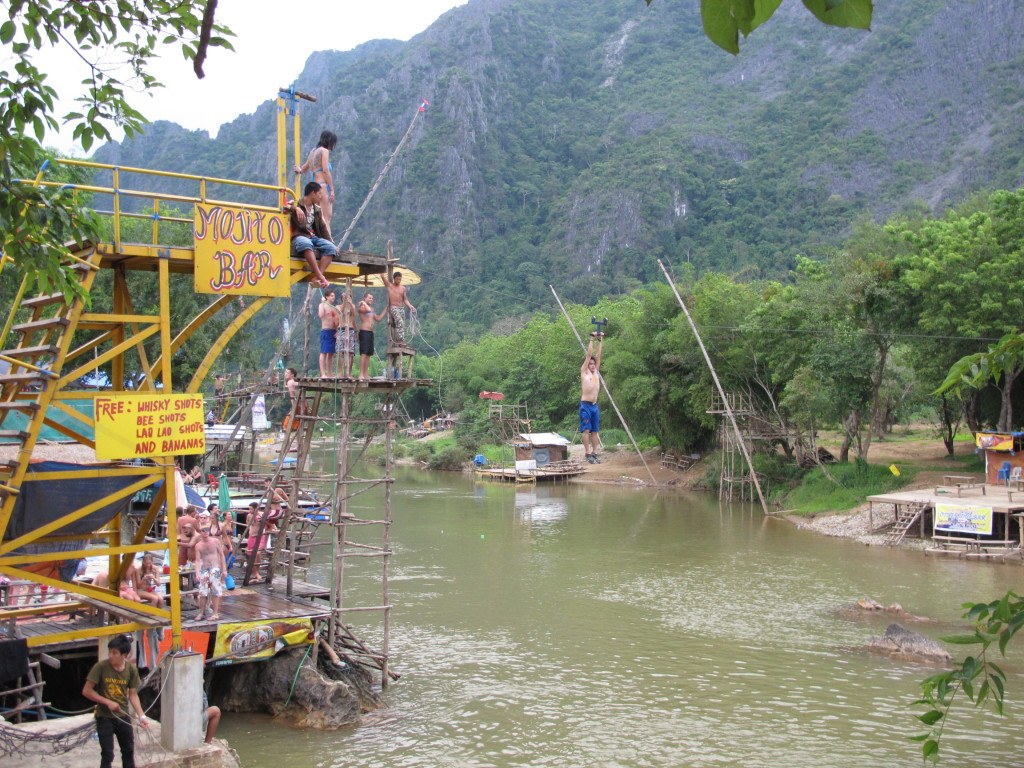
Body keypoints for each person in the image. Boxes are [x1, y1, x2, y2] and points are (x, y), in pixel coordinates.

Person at [82, 635, 149, 768]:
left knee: (128, 751)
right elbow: (87, 691)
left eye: (114, 653)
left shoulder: (131, 670)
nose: (111, 656)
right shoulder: (101, 667)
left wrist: (142, 716)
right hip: (104, 717)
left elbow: (133, 695)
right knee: (107, 754)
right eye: (110, 652)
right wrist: (107, 702)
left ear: (124, 655)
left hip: (123, 716)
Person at [286, 182, 337, 289]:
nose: (320, 196)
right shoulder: (297, 203)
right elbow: (285, 205)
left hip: (312, 237)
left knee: (331, 248)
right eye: (319, 193)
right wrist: (295, 208)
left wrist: (331, 243)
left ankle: (317, 277)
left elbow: (323, 229)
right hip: (299, 236)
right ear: (313, 193)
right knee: (305, 243)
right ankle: (320, 276)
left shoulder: (316, 209)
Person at [294, 130, 337, 234]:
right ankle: (328, 243)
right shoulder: (324, 151)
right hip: (323, 187)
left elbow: (303, 168)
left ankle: (320, 240)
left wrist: (298, 170)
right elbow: (326, 170)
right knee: (326, 218)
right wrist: (331, 190)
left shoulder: (313, 152)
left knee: (318, 218)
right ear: (330, 141)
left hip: (315, 189)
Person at [194, 523, 227, 621]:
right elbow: (197, 560)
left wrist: (224, 569)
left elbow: (221, 555)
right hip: (204, 569)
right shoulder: (198, 545)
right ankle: (201, 612)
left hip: (215, 568)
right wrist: (197, 572)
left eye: (207, 530)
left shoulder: (215, 541)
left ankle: (215, 613)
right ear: (200, 532)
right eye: (203, 530)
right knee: (202, 592)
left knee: (215, 591)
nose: (205, 532)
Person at [580, 331, 604, 464]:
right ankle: (587, 452)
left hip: (594, 406)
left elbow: (598, 355)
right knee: (586, 429)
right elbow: (589, 355)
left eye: (594, 364)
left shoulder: (596, 373)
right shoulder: (584, 372)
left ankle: (594, 452)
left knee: (595, 430)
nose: (593, 365)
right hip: (585, 405)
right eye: (591, 364)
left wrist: (601, 340)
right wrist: (592, 339)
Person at [382, 271, 416, 348]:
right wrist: (382, 272)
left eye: (400, 279)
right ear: (394, 279)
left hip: (401, 308)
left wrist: (410, 306)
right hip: (393, 307)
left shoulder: (403, 288)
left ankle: (400, 340)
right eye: (397, 279)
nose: (398, 281)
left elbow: (405, 299)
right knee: (399, 321)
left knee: (402, 324)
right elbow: (383, 279)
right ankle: (400, 341)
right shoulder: (390, 286)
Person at [357, 292, 386, 381]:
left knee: (369, 354)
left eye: (372, 298)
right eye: (369, 298)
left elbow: (378, 319)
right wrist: (364, 303)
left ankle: (365, 374)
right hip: (364, 331)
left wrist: (386, 309)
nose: (371, 299)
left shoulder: (371, 309)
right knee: (364, 353)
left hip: (370, 332)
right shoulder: (361, 307)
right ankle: (361, 374)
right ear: (365, 298)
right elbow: (368, 310)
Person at [318, 289, 341, 377]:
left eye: (334, 296)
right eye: (331, 296)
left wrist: (337, 330)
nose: (333, 297)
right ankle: (323, 373)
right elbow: (320, 315)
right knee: (324, 352)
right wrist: (323, 303)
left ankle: (330, 373)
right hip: (325, 330)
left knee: (331, 353)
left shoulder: (334, 308)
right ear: (327, 297)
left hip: (333, 331)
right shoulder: (322, 305)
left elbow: (336, 321)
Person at [337, 289, 357, 378]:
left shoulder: (353, 306)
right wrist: (345, 302)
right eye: (344, 297)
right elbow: (340, 312)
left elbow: (353, 314)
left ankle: (349, 372)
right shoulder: (338, 306)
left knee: (351, 352)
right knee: (340, 351)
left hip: (351, 329)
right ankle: (340, 372)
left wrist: (350, 303)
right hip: (342, 329)